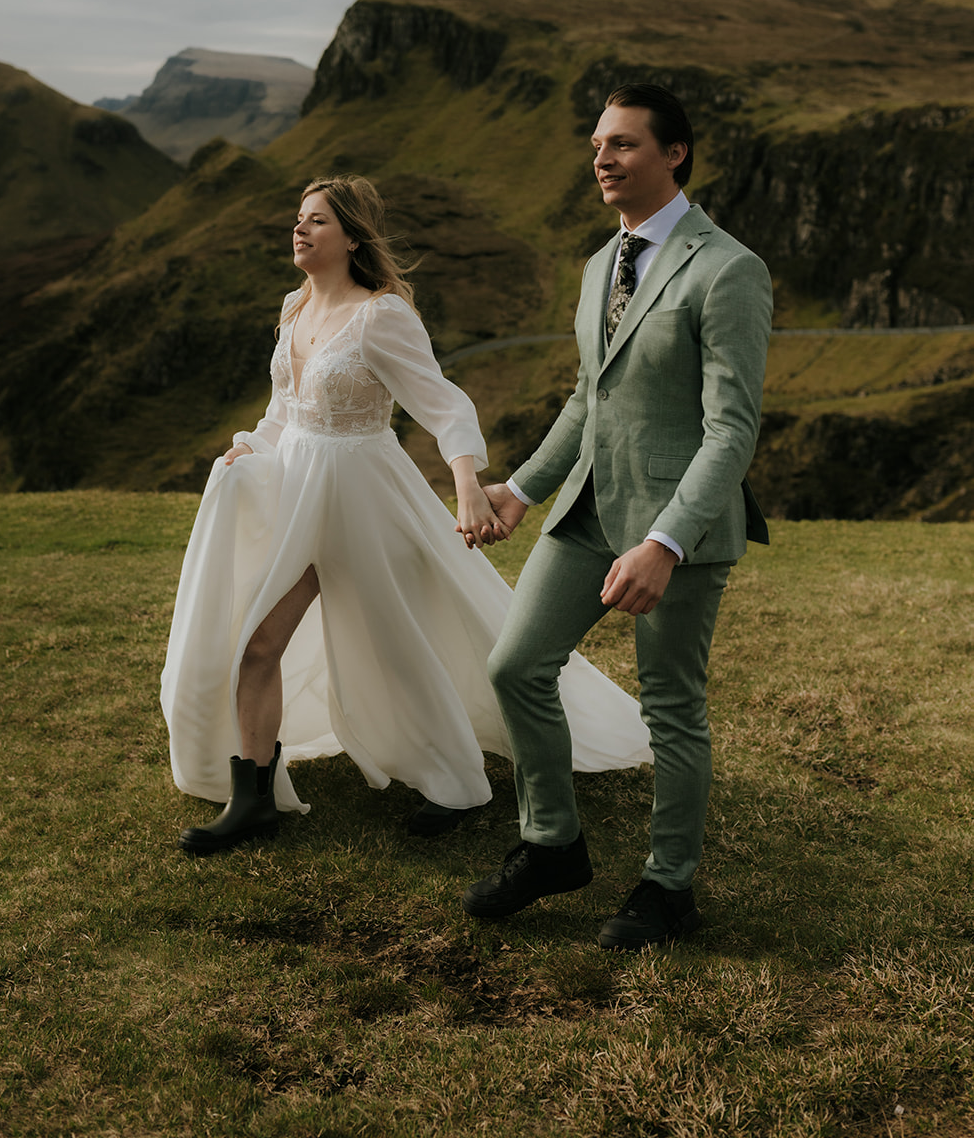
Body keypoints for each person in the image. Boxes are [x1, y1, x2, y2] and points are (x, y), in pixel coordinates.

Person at [161, 175, 652, 854]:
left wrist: (468, 487)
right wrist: (249, 447)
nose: (299, 230)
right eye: (297, 220)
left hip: (363, 496)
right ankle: (253, 800)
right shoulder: (293, 307)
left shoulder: (381, 315)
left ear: (352, 237)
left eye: (317, 222)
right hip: (296, 496)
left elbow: (443, 405)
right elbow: (286, 413)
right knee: (257, 642)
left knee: (392, 646)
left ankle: (454, 779)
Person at [463, 84, 772, 949]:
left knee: (671, 708)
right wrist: (520, 489)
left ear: (674, 154)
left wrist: (666, 541)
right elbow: (586, 399)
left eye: (624, 144)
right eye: (598, 144)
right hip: (587, 512)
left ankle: (668, 889)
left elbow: (731, 429)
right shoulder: (603, 263)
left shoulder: (728, 269)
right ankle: (551, 845)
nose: (602, 158)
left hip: (676, 530)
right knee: (517, 665)